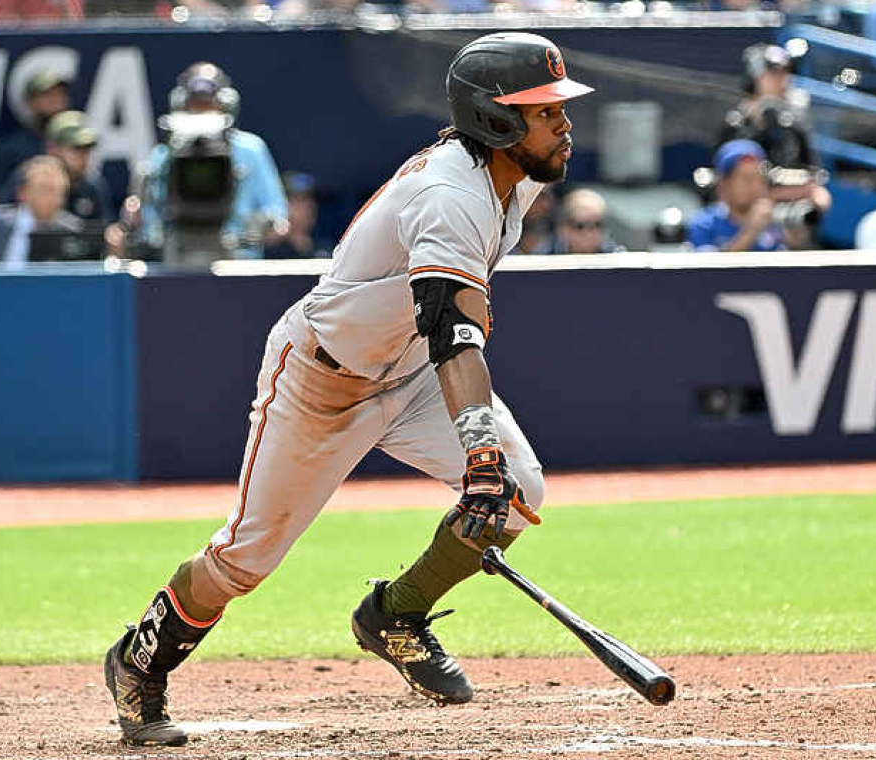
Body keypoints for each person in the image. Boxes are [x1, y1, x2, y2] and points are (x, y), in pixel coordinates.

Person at [103, 31, 591, 747]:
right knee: (245, 558)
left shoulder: (512, 182)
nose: (564, 123)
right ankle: (139, 663)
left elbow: (447, 337)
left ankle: (396, 613)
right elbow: (454, 333)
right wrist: (477, 452)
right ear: (497, 120)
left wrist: (489, 467)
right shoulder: (451, 194)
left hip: (410, 371)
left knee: (519, 493)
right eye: (545, 111)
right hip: (324, 382)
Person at [134, 62, 288, 260]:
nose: (203, 112)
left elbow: (277, 213)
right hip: (177, 260)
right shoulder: (163, 154)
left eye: (209, 104)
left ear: (226, 104)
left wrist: (261, 226)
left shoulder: (251, 149)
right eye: (196, 105)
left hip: (239, 262)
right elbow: (149, 220)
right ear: (181, 104)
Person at [0, 68, 72, 209]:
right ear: (29, 102)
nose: (55, 100)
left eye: (59, 94)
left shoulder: (77, 147)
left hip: (64, 228)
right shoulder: (13, 148)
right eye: (47, 95)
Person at [0, 111, 115, 225]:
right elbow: (3, 222)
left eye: (87, 150)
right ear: (52, 148)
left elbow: (103, 232)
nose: (84, 156)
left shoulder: (93, 185)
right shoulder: (28, 176)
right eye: (77, 149)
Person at [719, 44, 818, 171]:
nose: (783, 81)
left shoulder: (792, 126)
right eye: (774, 74)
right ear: (754, 78)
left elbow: (812, 172)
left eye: (785, 74)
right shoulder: (735, 126)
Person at [687, 140, 785, 252]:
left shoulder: (774, 221)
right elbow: (710, 267)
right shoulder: (705, 224)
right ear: (723, 184)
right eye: (746, 179)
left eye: (759, 178)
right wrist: (750, 232)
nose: (755, 186)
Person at [262, 172, 333, 259]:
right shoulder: (268, 250)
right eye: (296, 201)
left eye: (308, 201)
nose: (305, 209)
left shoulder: (324, 250)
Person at [537, 188, 625, 254]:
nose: (591, 232)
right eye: (580, 225)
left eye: (598, 224)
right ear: (562, 228)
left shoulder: (618, 258)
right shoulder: (543, 258)